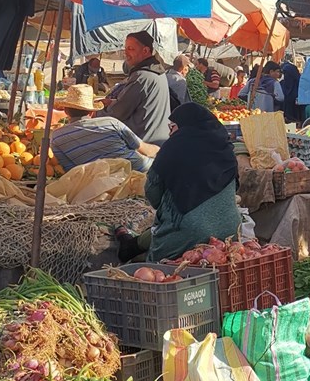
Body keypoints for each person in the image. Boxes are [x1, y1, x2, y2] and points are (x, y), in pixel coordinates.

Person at [116, 104, 241, 264]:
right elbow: (234, 188)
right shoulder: (225, 149)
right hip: (231, 232)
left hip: (189, 235)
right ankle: (132, 245)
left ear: (183, 125)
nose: (170, 133)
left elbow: (153, 196)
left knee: (169, 229)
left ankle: (130, 245)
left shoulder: (172, 148)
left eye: (172, 127)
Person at [51, 85, 159, 173]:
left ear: (65, 111)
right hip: (139, 171)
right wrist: (159, 150)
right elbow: (144, 149)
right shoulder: (111, 123)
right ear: (92, 112)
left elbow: (71, 171)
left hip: (98, 183)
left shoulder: (56, 137)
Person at [103, 32, 171, 145]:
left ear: (145, 50)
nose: (125, 53)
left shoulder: (142, 76)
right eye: (125, 48)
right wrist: (112, 102)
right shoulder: (158, 72)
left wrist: (96, 113)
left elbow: (119, 112)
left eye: (130, 49)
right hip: (158, 140)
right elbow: (142, 103)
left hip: (143, 143)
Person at [280, 54, 301, 124]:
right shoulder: (282, 84)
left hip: (297, 118)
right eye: (285, 74)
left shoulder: (300, 87)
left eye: (287, 74)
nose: (286, 76)